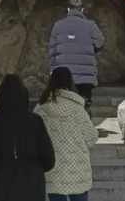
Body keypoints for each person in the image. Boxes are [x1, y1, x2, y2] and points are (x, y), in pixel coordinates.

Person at [0, 74, 55, 201]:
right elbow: (49, 159)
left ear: (0, 95)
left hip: (0, 185)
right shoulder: (35, 121)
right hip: (32, 185)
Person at [35, 67, 99, 201]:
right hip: (78, 170)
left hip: (53, 170)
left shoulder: (41, 109)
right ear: (70, 82)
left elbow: (36, 140)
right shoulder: (78, 108)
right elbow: (91, 137)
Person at [48, 0, 105, 111]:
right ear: (82, 9)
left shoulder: (58, 25)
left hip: (63, 76)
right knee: (84, 107)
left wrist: (52, 71)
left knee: (64, 107)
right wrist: (90, 50)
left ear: (68, 9)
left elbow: (52, 50)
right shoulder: (90, 25)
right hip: (85, 77)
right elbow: (100, 43)